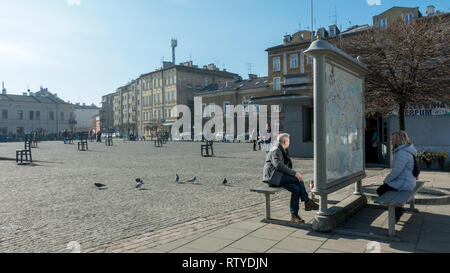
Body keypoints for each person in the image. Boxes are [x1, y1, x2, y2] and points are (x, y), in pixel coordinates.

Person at [263, 133, 319, 223]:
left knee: (296, 189)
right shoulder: (276, 149)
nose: (289, 143)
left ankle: (294, 215)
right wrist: (294, 173)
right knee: (298, 179)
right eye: (289, 141)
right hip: (273, 177)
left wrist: (293, 174)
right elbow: (278, 165)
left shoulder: (282, 149)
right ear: (285, 141)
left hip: (279, 176)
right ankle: (307, 201)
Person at [377, 131, 417, 197]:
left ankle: (394, 206)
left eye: (393, 139)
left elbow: (396, 171)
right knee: (383, 189)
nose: (391, 140)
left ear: (399, 140)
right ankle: (395, 206)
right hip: (406, 181)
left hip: (404, 183)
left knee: (380, 190)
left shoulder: (402, 152)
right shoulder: (405, 150)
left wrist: (386, 180)